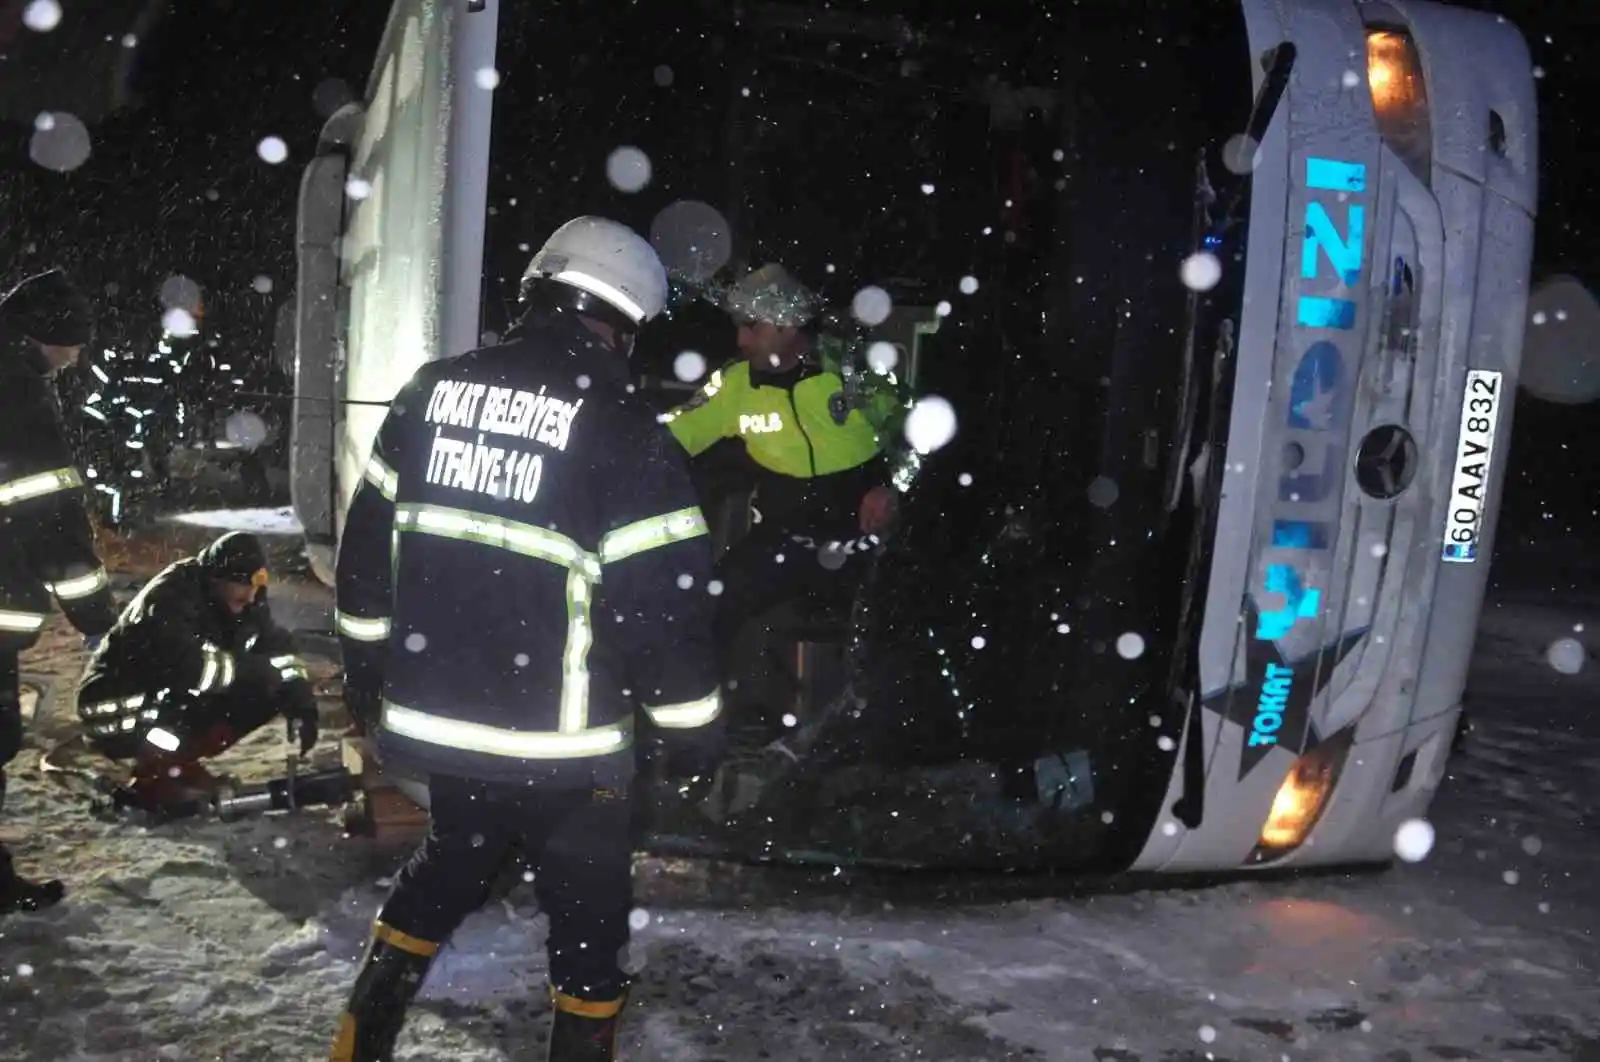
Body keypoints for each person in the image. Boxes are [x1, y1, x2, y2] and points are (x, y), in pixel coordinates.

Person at [328, 216, 722, 1062]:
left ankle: (357, 1043)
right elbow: (665, 606)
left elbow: (365, 558)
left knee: (449, 868)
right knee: (590, 929)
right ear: (625, 324)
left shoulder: (432, 391)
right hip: (568, 746)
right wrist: (692, 733)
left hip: (446, 733)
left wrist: (367, 671)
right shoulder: (623, 427)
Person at [659, 264, 908, 713]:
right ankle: (701, 729)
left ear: (787, 324)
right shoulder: (735, 384)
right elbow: (671, 437)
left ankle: (880, 734)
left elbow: (917, 429)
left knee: (899, 628)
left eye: (751, 327)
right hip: (787, 535)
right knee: (710, 606)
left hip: (868, 537)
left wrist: (894, 489)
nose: (741, 340)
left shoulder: (851, 368)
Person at [0, 268, 117, 916]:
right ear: (44, 337)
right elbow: (50, 519)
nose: (75, 359)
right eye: (72, 344)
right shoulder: (17, 394)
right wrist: (97, 618)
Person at [76, 530, 319, 811]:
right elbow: (186, 668)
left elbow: (278, 648)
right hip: (116, 706)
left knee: (264, 691)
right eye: (242, 594)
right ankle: (156, 773)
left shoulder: (245, 600)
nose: (251, 601)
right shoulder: (171, 597)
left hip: (162, 697)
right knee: (238, 684)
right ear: (217, 580)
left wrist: (301, 702)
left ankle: (178, 764)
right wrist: (252, 671)